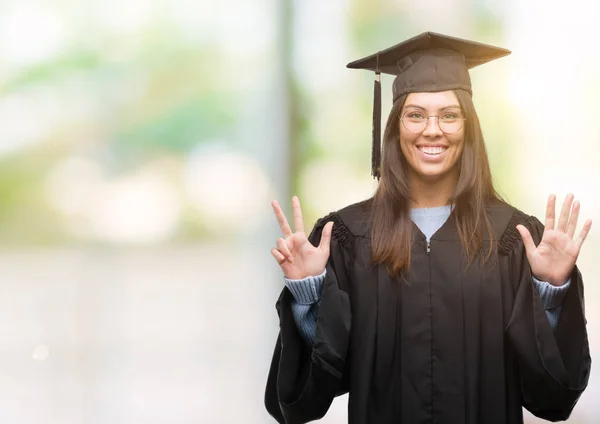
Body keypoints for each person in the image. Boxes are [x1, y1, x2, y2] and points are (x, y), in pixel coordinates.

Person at [264, 32, 592, 424]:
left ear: (468, 127)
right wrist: (309, 296)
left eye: (449, 115)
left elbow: (552, 399)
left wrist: (550, 293)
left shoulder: (513, 239)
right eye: (416, 114)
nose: (432, 129)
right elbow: (312, 394)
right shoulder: (347, 237)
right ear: (395, 127)